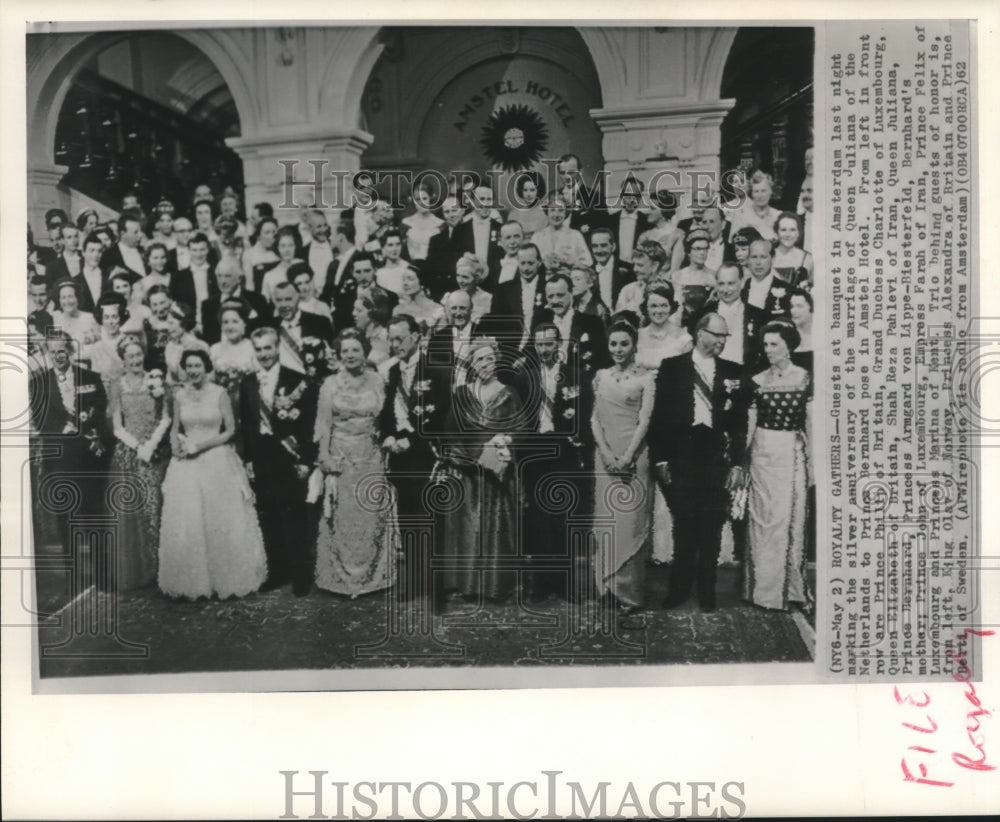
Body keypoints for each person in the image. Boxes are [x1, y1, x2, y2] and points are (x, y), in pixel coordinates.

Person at [649, 313, 748, 612]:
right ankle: (678, 589)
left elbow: (740, 422)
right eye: (717, 335)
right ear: (700, 333)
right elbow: (660, 417)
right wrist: (661, 458)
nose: (721, 341)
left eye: (725, 337)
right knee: (683, 525)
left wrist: (737, 464)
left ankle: (707, 591)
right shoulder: (672, 367)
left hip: (716, 456)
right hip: (681, 455)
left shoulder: (733, 371)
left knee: (712, 527)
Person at [158, 349, 267, 599]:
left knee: (219, 517)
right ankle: (193, 582)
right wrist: (176, 445)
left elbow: (230, 430)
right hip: (186, 463)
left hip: (216, 457)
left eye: (198, 366)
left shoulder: (219, 393)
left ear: (206, 367)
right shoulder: (180, 395)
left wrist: (200, 446)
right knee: (189, 520)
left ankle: (225, 578)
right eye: (189, 366)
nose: (194, 371)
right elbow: (175, 427)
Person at [437, 338, 523, 604]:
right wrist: (466, 459)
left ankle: (495, 586)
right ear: (472, 365)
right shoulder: (462, 394)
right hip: (469, 473)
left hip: (496, 474)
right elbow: (450, 433)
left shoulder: (509, 393)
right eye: (480, 360)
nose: (486, 364)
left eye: (490, 358)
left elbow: (521, 429)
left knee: (496, 528)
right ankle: (469, 585)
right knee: (468, 527)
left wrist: (505, 443)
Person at [314, 329, 398, 597]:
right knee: (342, 518)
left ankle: (373, 579)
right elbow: (324, 424)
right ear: (339, 355)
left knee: (370, 517)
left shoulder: (378, 381)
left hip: (371, 456)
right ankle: (341, 580)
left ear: (364, 353)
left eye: (355, 350)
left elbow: (388, 419)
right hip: (341, 457)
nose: (350, 355)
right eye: (345, 351)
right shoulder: (329, 385)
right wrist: (324, 457)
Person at [239, 327, 319, 596]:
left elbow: (308, 425)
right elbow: (247, 425)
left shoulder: (298, 381)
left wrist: (307, 461)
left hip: (289, 458)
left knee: (294, 517)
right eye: (259, 349)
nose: (264, 354)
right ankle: (278, 572)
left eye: (268, 348)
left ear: (277, 348)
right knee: (269, 516)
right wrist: (247, 459)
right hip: (261, 459)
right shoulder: (248, 382)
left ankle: (301, 576)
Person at [512, 322, 588, 603]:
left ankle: (566, 583)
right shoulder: (523, 376)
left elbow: (584, 413)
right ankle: (541, 583)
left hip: (563, 450)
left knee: (563, 517)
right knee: (538, 519)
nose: (544, 350)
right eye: (540, 344)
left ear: (559, 345)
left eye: (549, 344)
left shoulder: (575, 376)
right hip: (534, 451)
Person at [743, 320, 812, 611]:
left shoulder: (805, 378)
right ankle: (764, 593)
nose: (768, 350)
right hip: (763, 455)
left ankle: (794, 591)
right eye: (766, 344)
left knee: (792, 521)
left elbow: (810, 423)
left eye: (775, 344)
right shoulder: (758, 381)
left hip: (792, 454)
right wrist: (743, 461)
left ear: (789, 345)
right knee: (764, 521)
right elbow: (750, 426)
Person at [590, 319, 655, 612]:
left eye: (624, 343)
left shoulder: (646, 379)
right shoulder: (601, 376)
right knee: (608, 523)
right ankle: (607, 589)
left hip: (634, 456)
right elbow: (593, 419)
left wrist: (628, 456)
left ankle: (629, 594)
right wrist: (605, 452)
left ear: (634, 345)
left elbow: (645, 420)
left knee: (630, 525)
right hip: (605, 457)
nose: (618, 349)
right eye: (613, 343)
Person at [29, 332, 111, 563]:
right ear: (47, 353)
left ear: (71, 351)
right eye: (52, 351)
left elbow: (100, 408)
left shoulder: (91, 377)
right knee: (67, 515)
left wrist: (84, 424)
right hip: (60, 459)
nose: (58, 356)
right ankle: (71, 571)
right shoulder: (37, 383)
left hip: (89, 457)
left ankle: (101, 568)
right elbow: (40, 419)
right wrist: (63, 428)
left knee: (93, 512)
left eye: (62, 350)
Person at [379, 314, 440, 604]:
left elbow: (440, 419)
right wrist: (388, 437)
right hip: (400, 458)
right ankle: (413, 579)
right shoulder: (391, 373)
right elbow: (386, 413)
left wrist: (411, 440)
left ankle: (435, 584)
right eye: (391, 339)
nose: (395, 344)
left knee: (429, 520)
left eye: (400, 338)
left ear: (416, 336)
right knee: (407, 519)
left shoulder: (437, 370)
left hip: (426, 456)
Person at [108, 336, 172, 590]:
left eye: (138, 355)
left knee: (157, 507)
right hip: (130, 454)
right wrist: (137, 447)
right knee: (134, 512)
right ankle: (143, 569)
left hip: (155, 452)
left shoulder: (156, 379)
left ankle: (162, 568)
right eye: (130, 356)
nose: (135, 360)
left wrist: (151, 445)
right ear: (123, 359)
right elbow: (116, 426)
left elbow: (166, 417)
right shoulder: (117, 384)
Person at [635, 285, 692, 567]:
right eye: (653, 306)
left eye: (663, 305)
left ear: (672, 306)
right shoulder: (637, 337)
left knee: (669, 472)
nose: (658, 311)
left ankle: (668, 548)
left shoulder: (682, 338)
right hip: (641, 410)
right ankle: (643, 547)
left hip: (671, 411)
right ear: (646, 308)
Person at [536, 271, 609, 380]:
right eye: (550, 297)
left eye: (560, 295)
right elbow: (531, 354)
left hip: (581, 381)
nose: (555, 301)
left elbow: (602, 360)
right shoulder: (540, 319)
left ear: (571, 293)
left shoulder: (592, 322)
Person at [200, 256, 270, 346]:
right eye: (219, 276)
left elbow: (263, 334)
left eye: (227, 276)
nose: (222, 281)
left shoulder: (257, 300)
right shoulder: (208, 305)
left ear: (239, 278)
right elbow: (209, 340)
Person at [271, 280, 335, 374]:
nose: (283, 305)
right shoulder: (270, 326)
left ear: (298, 298)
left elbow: (331, 358)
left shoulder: (320, 322)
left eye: (288, 299)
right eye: (279, 300)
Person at [452, 186, 504, 290]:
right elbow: (453, 260)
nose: (485, 204)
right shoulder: (460, 230)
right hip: (467, 284)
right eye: (481, 199)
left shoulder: (500, 228)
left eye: (489, 199)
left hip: (494, 285)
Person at [671, 228, 719, 327]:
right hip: (683, 327)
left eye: (705, 248)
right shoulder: (678, 276)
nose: (702, 253)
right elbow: (676, 310)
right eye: (697, 249)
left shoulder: (714, 276)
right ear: (688, 252)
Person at [531, 194, 593, 270]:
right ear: (547, 212)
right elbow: (530, 262)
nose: (556, 215)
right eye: (552, 210)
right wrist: (545, 262)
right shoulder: (537, 237)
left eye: (560, 210)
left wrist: (569, 262)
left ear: (565, 213)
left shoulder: (576, 235)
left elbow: (588, 262)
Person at [82, 292, 130, 387]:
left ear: (121, 317)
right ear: (101, 319)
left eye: (114, 317)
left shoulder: (128, 341)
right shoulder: (95, 342)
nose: (111, 322)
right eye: (106, 317)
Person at [613, 239, 667, 318]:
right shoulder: (628, 290)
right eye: (634, 264)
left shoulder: (672, 290)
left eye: (640, 265)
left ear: (655, 265)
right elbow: (618, 319)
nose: (634, 269)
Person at [605, 176, 650, 263]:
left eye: (635, 195)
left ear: (640, 197)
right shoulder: (609, 220)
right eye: (627, 195)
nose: (631, 199)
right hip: (615, 269)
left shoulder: (646, 221)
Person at [162, 302, 209, 386]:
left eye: (171, 323)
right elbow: (169, 376)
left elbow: (207, 377)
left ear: (184, 324)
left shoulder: (199, 346)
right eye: (167, 323)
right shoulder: (170, 346)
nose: (167, 327)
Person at [589, 227, 635, 310]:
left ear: (613, 247)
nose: (599, 250)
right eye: (595, 246)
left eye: (603, 245)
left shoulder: (629, 269)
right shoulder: (588, 272)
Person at [731, 169, 782, 241]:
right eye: (756, 191)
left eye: (763, 191)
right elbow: (733, 242)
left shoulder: (778, 215)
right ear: (751, 193)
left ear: (771, 192)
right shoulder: (741, 215)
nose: (760, 195)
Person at [393, 266, 444, 334]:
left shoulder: (437, 309)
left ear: (422, 282)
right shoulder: (398, 310)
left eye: (410, 279)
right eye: (403, 279)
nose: (405, 283)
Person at [50, 279, 100, 349]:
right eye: (63, 297)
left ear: (78, 298)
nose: (67, 301)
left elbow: (99, 344)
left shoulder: (89, 318)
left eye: (70, 296)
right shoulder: (56, 319)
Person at [401, 184, 444, 263]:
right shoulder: (406, 223)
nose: (422, 203)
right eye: (418, 199)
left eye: (424, 198)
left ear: (430, 199)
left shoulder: (440, 224)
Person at [261, 226, 304, 303]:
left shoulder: (304, 267)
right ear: (277, 248)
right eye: (282, 246)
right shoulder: (269, 276)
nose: (287, 250)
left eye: (291, 245)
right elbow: (265, 302)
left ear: (296, 246)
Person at [351, 289, 393, 369]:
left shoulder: (383, 337)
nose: (353, 313)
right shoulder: (358, 335)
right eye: (354, 309)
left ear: (374, 313)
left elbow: (371, 366)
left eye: (359, 311)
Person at [772, 212, 814, 290]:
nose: (788, 234)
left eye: (792, 230)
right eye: (783, 230)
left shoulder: (808, 259)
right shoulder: (767, 255)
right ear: (777, 232)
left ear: (798, 233)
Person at [243, 216, 280, 293]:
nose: (271, 236)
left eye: (274, 232)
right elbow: (249, 284)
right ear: (258, 235)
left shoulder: (279, 252)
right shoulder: (249, 254)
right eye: (267, 232)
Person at [454, 253, 493, 322]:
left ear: (476, 278)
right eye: (458, 275)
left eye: (465, 277)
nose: (460, 281)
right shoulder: (451, 297)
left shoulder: (488, 299)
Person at [507, 171, 548, 237]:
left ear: (539, 191)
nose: (528, 194)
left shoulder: (546, 214)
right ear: (521, 191)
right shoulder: (513, 214)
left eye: (532, 190)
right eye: (525, 190)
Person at [789, 290, 813, 373]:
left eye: (799, 306)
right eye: (791, 306)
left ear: (810, 307)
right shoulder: (788, 337)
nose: (793, 311)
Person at [495, 220, 525, 285]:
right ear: (501, 241)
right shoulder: (495, 265)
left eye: (516, 236)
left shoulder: (528, 264)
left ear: (523, 238)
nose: (512, 242)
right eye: (508, 238)